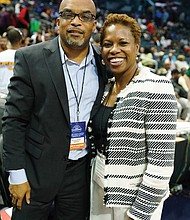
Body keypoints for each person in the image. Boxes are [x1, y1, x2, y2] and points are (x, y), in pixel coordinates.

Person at [2, 0, 107, 219]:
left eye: (85, 17)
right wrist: (16, 175)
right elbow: (14, 120)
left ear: (94, 25)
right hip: (34, 172)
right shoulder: (30, 58)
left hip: (79, 173)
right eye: (69, 15)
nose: (76, 22)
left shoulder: (104, 62)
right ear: (58, 22)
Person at [87, 13, 177, 220]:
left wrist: (137, 214)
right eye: (108, 44)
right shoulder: (105, 87)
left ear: (137, 47)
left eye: (123, 43)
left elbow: (161, 166)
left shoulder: (157, 87)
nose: (114, 50)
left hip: (134, 201)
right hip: (98, 192)